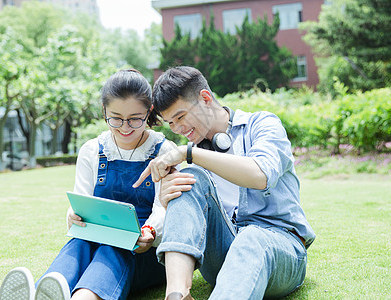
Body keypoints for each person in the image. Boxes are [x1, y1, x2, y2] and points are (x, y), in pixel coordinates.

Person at [133, 66, 316, 300]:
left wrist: (190, 154)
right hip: (223, 254)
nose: (178, 129)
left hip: (282, 249)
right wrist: (168, 202)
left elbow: (260, 176)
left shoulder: (262, 124)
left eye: (180, 117)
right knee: (187, 180)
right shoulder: (194, 156)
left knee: (252, 237)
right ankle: (176, 294)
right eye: (171, 123)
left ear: (206, 98)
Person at [0, 69, 177, 300]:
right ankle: (44, 291)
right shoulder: (92, 150)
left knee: (114, 247)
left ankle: (84, 297)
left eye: (135, 119)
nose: (125, 127)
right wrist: (73, 214)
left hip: (145, 252)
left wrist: (150, 232)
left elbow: (165, 208)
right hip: (96, 240)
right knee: (79, 244)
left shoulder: (164, 151)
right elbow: (80, 201)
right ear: (104, 111)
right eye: (116, 118)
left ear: (148, 111)